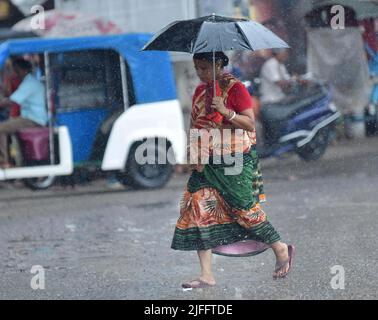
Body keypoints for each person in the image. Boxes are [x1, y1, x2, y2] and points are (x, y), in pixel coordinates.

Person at [171, 51, 295, 288]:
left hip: (234, 159)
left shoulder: (236, 89)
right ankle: (207, 275)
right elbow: (195, 125)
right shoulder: (200, 91)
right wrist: (192, 155)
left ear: (219, 65)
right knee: (199, 211)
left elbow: (249, 122)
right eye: (197, 68)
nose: (200, 73)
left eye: (205, 68)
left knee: (243, 209)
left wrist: (227, 112)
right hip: (206, 162)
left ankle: (279, 248)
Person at [0, 58, 47, 168]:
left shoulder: (29, 83)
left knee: (1, 128)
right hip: (28, 117)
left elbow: (12, 101)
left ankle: (3, 162)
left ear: (23, 70)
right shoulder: (28, 81)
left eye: (16, 70)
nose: (15, 73)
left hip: (33, 119)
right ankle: (13, 160)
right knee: (8, 126)